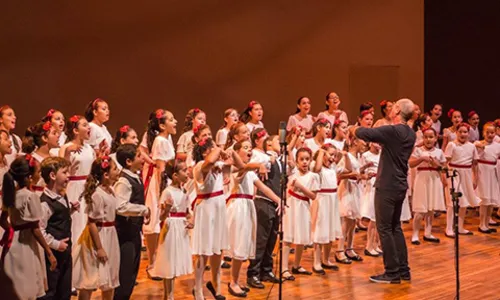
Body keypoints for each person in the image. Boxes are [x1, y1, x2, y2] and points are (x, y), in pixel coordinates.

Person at [353, 98, 416, 284]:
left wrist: (352, 129)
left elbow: (365, 133)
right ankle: (404, 270)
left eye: (394, 105)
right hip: (400, 184)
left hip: (387, 185)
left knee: (385, 229)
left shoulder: (393, 130)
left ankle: (392, 272)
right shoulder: (410, 134)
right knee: (395, 227)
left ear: (397, 109)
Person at [1, 156, 57, 299]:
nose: (40, 175)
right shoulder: (30, 197)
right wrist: (49, 252)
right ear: (30, 177)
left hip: (13, 245)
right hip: (27, 245)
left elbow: (2, 220)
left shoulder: (11, 194)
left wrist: (12, 230)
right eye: (38, 172)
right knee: (28, 285)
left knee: (17, 288)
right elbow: (36, 229)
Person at [113, 144, 151, 299]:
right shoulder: (124, 181)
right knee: (125, 275)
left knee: (131, 273)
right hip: (125, 235)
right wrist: (143, 209)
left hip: (134, 232)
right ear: (128, 161)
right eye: (138, 156)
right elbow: (120, 206)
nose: (142, 158)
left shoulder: (135, 176)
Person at [152, 159, 193, 300]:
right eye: (184, 170)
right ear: (175, 175)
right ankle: (168, 296)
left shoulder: (184, 191)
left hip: (181, 229)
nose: (187, 172)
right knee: (169, 262)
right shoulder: (167, 192)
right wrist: (167, 208)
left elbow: (188, 211)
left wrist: (191, 221)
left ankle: (169, 295)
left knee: (175, 262)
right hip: (171, 229)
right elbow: (162, 217)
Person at [143, 109, 177, 279]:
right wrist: (163, 193)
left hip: (166, 183)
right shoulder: (160, 141)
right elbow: (160, 169)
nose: (175, 122)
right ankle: (152, 263)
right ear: (162, 125)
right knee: (155, 222)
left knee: (160, 223)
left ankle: (159, 261)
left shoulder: (166, 139)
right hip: (160, 185)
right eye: (171, 120)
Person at [246, 135, 282, 288]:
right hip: (264, 201)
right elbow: (250, 164)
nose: (281, 143)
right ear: (268, 144)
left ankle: (266, 270)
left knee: (271, 239)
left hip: (277, 202)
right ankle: (253, 272)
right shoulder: (261, 157)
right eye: (277, 141)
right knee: (261, 239)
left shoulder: (279, 160)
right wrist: (262, 163)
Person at [38, 157, 73, 300]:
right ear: (53, 176)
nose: (68, 176)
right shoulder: (44, 203)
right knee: (52, 292)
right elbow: (40, 230)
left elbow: (58, 219)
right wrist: (56, 244)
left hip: (65, 253)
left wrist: (71, 211)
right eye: (64, 172)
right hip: (52, 256)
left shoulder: (62, 196)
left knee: (65, 291)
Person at [282, 148, 319, 280]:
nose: (304, 162)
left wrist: (301, 187)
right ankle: (284, 268)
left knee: (301, 237)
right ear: (297, 161)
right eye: (301, 159)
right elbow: (287, 191)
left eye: (307, 159)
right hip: (292, 205)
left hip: (303, 206)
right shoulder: (293, 175)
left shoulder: (313, 176)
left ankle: (296, 265)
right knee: (288, 236)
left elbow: (313, 196)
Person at [409, 127, 446, 245]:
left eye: (431, 137)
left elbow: (444, 168)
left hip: (434, 180)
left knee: (431, 209)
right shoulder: (418, 150)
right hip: (422, 180)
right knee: (420, 209)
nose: (428, 139)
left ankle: (428, 232)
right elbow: (410, 163)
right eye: (425, 137)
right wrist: (421, 159)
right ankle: (415, 234)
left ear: (435, 138)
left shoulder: (439, 152)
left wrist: (437, 164)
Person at [443, 123, 478, 237]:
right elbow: (446, 161)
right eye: (460, 132)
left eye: (465, 132)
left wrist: (475, 177)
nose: (463, 134)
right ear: (456, 133)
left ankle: (460, 227)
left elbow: (474, 164)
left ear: (468, 133)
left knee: (464, 202)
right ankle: (449, 228)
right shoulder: (452, 145)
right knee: (453, 202)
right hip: (454, 173)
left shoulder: (472, 146)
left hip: (467, 174)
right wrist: (445, 176)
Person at [474, 122, 500, 233]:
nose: (490, 135)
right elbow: (473, 145)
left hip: (492, 172)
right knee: (484, 199)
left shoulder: (498, 145)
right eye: (487, 132)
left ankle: (487, 222)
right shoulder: (478, 143)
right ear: (483, 133)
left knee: (490, 199)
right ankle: (482, 224)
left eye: (492, 132)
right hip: (483, 172)